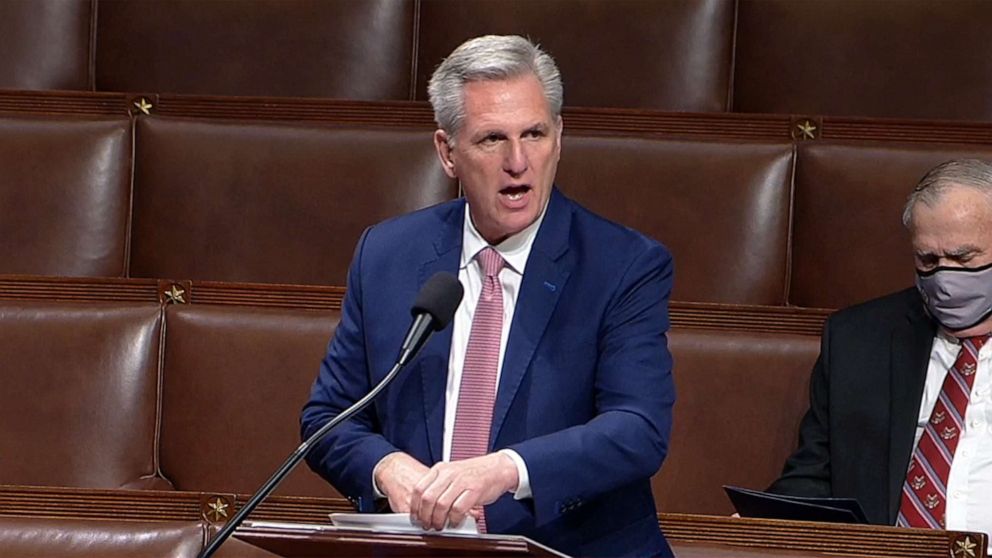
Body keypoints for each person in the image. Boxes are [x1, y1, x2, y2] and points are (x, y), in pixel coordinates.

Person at [300, 35, 674, 557]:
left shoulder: (622, 265)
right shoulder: (387, 255)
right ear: (447, 153)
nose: (518, 161)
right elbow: (329, 420)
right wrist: (389, 470)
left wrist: (504, 470)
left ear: (560, 137)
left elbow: (638, 429)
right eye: (492, 139)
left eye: (535, 134)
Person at [770, 159, 992, 539]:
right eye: (929, 260)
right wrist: (766, 527)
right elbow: (813, 481)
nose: (945, 276)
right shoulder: (859, 339)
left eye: (963, 258)